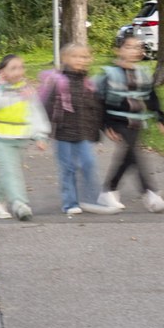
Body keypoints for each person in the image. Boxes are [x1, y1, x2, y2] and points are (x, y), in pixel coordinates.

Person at [96, 31, 164, 212]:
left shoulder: (142, 73)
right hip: (117, 120)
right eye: (128, 47)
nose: (133, 51)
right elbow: (99, 101)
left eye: (137, 47)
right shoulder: (110, 74)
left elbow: (151, 96)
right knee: (134, 154)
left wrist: (160, 117)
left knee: (128, 157)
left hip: (137, 121)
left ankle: (108, 190)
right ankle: (151, 193)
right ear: (118, 50)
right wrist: (105, 125)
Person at [39, 44, 112, 215]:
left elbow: (97, 109)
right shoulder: (57, 81)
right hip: (63, 133)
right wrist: (42, 134)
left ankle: (90, 199)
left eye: (84, 57)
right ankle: (70, 203)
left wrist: (103, 127)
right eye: (75, 56)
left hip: (84, 132)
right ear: (65, 59)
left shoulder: (89, 84)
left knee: (89, 163)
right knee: (68, 168)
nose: (80, 60)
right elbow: (46, 107)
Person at [0, 53, 49, 220]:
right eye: (13, 68)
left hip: (19, 137)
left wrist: (40, 135)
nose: (19, 71)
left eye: (21, 67)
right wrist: (3, 88)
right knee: (10, 171)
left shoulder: (26, 90)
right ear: (2, 72)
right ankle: (20, 204)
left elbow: (35, 113)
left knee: (6, 171)